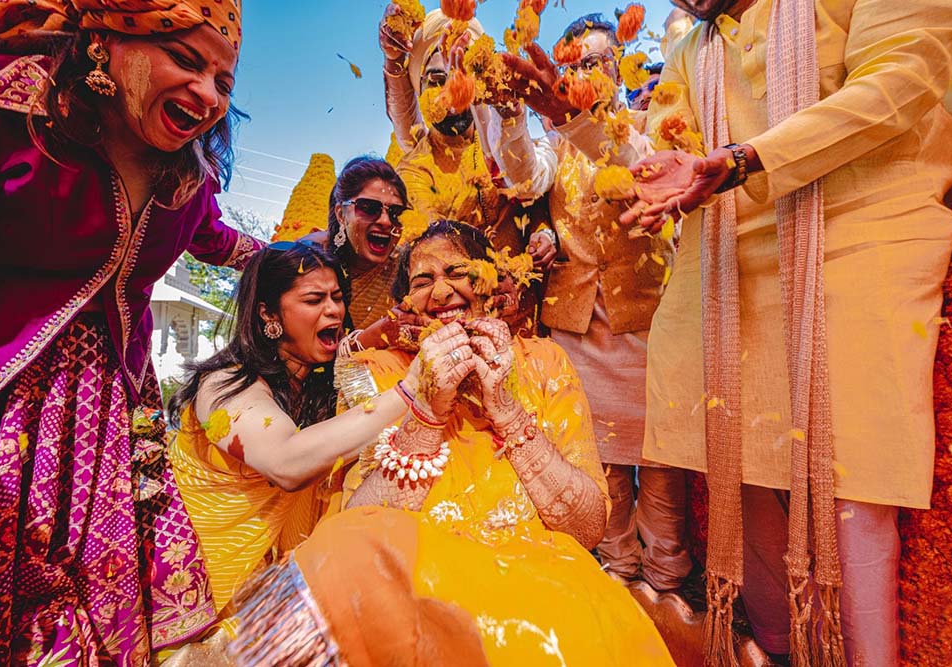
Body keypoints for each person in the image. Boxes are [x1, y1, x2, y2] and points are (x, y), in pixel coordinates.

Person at [622, 0, 952, 664]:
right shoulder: (689, 52)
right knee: (738, 457)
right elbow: (662, 150)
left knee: (856, 478)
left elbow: (904, 74)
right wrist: (588, 128)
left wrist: (747, 159)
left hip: (860, 228)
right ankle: (777, 650)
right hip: (726, 259)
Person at [228, 220, 675, 666]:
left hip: (541, 582)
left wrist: (505, 409)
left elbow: (587, 527)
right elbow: (358, 527)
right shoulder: (378, 371)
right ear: (406, 304)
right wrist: (427, 409)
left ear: (492, 285)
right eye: (422, 282)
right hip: (415, 588)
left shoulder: (544, 360)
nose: (441, 293)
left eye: (458, 273)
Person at [0, 1, 262, 663]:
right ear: (106, 43)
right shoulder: (9, 107)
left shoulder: (187, 179)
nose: (207, 95)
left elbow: (218, 241)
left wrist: (308, 256)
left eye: (223, 82)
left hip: (114, 411)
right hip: (3, 403)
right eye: (185, 60)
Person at [493, 14, 691, 594]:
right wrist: (509, 114)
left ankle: (667, 582)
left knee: (661, 470)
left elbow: (648, 173)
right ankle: (616, 580)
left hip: (649, 325)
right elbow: (524, 180)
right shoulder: (554, 142)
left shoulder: (649, 127)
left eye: (595, 64)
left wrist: (579, 120)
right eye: (572, 66)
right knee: (598, 468)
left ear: (618, 70)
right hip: (576, 329)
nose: (583, 75)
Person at [164, 240, 426, 657]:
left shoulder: (323, 385)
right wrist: (413, 390)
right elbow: (287, 462)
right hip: (204, 607)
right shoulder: (224, 385)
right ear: (268, 314)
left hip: (274, 611)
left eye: (338, 297)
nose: (334, 310)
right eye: (314, 299)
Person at [378, 6, 556, 326]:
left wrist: (543, 233)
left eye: (460, 77)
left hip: (519, 313)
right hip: (451, 318)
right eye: (436, 81)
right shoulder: (414, 168)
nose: (450, 94)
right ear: (419, 89)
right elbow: (430, 249)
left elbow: (532, 198)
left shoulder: (501, 145)